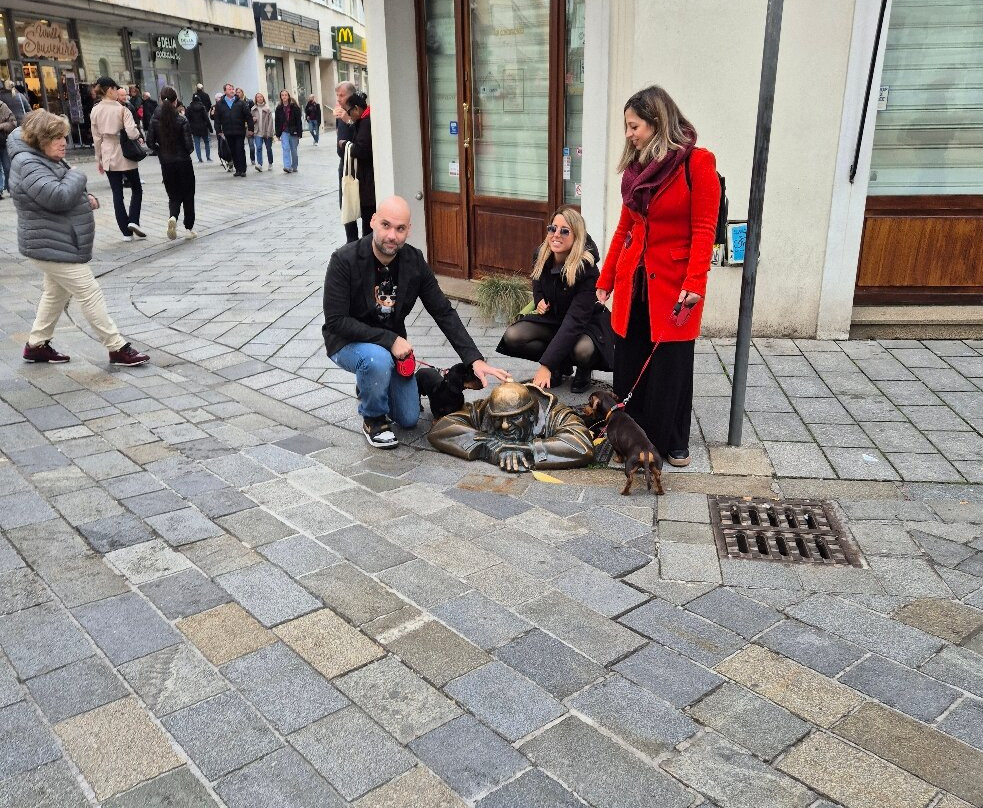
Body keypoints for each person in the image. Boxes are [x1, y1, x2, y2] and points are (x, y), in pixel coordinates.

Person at [596, 85, 720, 468]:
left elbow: (704, 228)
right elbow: (624, 229)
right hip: (635, 280)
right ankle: (633, 439)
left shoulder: (697, 163)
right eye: (627, 127)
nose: (629, 134)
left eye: (634, 126)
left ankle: (673, 440)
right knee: (631, 359)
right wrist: (606, 279)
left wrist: (695, 283)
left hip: (675, 281)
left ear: (656, 122)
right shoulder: (635, 172)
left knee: (671, 363)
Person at [322, 195, 509, 449]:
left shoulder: (413, 261)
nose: (392, 236)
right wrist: (390, 340)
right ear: (373, 221)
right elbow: (335, 321)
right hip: (348, 342)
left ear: (408, 230)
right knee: (376, 360)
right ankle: (373, 419)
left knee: (409, 418)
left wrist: (473, 359)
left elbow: (443, 311)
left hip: (392, 348)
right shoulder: (344, 260)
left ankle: (371, 382)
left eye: (400, 229)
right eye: (386, 225)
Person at [9, 110, 149, 366]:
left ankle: (36, 345)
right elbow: (57, 195)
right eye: (56, 138)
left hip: (56, 240)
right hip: (49, 243)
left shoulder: (42, 157)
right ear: (40, 139)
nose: (64, 143)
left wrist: (85, 199)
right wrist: (77, 174)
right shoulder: (28, 163)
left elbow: (54, 195)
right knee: (89, 291)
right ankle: (117, 347)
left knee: (55, 293)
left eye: (64, 137)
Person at [497, 207, 614, 394]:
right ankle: (559, 364)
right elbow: (537, 280)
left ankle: (583, 370)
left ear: (577, 236)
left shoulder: (587, 269)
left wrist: (545, 365)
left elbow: (574, 322)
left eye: (564, 231)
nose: (556, 235)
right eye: (553, 228)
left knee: (582, 350)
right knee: (513, 336)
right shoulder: (541, 254)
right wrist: (539, 299)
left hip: (584, 323)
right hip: (554, 317)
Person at [428, 382, 594, 472]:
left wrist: (524, 448)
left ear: (531, 415)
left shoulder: (556, 414)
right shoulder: (487, 409)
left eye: (514, 418)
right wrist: (488, 444)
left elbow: (582, 446)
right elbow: (441, 429)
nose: (505, 426)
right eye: (499, 419)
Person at [90, 77, 146, 241]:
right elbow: (132, 133)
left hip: (107, 153)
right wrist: (136, 134)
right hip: (125, 152)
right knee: (136, 188)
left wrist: (98, 159)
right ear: (109, 90)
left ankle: (125, 232)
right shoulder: (123, 110)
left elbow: (96, 138)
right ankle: (133, 220)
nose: (117, 92)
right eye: (115, 89)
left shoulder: (95, 110)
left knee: (117, 193)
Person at [146, 86, 196, 240]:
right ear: (175, 102)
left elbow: (149, 142)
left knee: (173, 195)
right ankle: (188, 228)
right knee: (188, 195)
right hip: (184, 163)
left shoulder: (154, 119)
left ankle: (173, 217)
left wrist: (161, 151)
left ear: (161, 100)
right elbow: (189, 146)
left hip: (167, 163)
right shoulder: (181, 119)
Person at [346, 91, 374, 240]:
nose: (349, 116)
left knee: (368, 223)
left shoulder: (366, 122)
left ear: (356, 108)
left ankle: (368, 255)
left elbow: (362, 150)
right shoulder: (364, 120)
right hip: (368, 180)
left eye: (349, 112)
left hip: (368, 181)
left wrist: (346, 145)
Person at [334, 81, 359, 242]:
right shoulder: (341, 113)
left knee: (361, 206)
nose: (339, 99)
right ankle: (352, 243)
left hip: (358, 166)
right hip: (344, 166)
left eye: (342, 95)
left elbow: (362, 137)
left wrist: (349, 121)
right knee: (346, 208)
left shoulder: (358, 113)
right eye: (337, 96)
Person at [213, 83, 252, 177]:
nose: (232, 90)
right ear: (225, 91)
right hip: (228, 131)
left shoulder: (240, 102)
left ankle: (243, 170)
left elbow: (248, 116)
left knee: (240, 149)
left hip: (239, 131)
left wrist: (251, 128)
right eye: (229, 89)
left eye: (232, 89)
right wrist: (218, 130)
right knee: (233, 151)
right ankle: (238, 169)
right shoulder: (220, 104)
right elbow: (217, 118)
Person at [275, 89, 302, 174]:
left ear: (288, 96)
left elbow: (298, 121)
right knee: (285, 148)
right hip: (284, 132)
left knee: (293, 150)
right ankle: (287, 166)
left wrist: (299, 133)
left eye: (285, 95)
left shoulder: (295, 107)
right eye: (282, 95)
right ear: (281, 97)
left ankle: (294, 166)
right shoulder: (279, 108)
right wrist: (278, 134)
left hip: (293, 131)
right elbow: (277, 122)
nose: (284, 96)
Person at [251, 92, 274, 172]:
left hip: (266, 132)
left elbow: (271, 121)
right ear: (256, 99)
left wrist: (270, 132)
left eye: (261, 97)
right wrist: (252, 120)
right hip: (257, 132)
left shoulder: (267, 108)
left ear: (263, 98)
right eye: (258, 97)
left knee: (268, 148)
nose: (259, 98)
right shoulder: (253, 109)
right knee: (259, 148)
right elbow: (250, 120)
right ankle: (260, 164)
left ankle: (270, 163)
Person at [186, 94, 212, 162]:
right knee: (206, 142)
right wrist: (210, 128)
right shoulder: (202, 107)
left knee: (197, 144)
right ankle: (208, 157)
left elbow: (187, 118)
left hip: (194, 128)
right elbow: (206, 118)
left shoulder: (189, 108)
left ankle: (200, 159)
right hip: (203, 127)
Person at [235, 88, 257, 167]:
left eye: (239, 92)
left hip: (248, 125)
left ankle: (253, 159)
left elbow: (254, 111)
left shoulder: (249, 101)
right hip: (240, 126)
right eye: (236, 92)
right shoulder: (235, 102)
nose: (237, 93)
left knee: (251, 145)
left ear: (242, 93)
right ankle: (242, 160)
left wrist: (253, 118)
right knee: (240, 145)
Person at [0, 98, 14, 199]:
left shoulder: (2, 107)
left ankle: (11, 188)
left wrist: (1, 126)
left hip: (3, 141)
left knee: (7, 166)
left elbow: (12, 123)